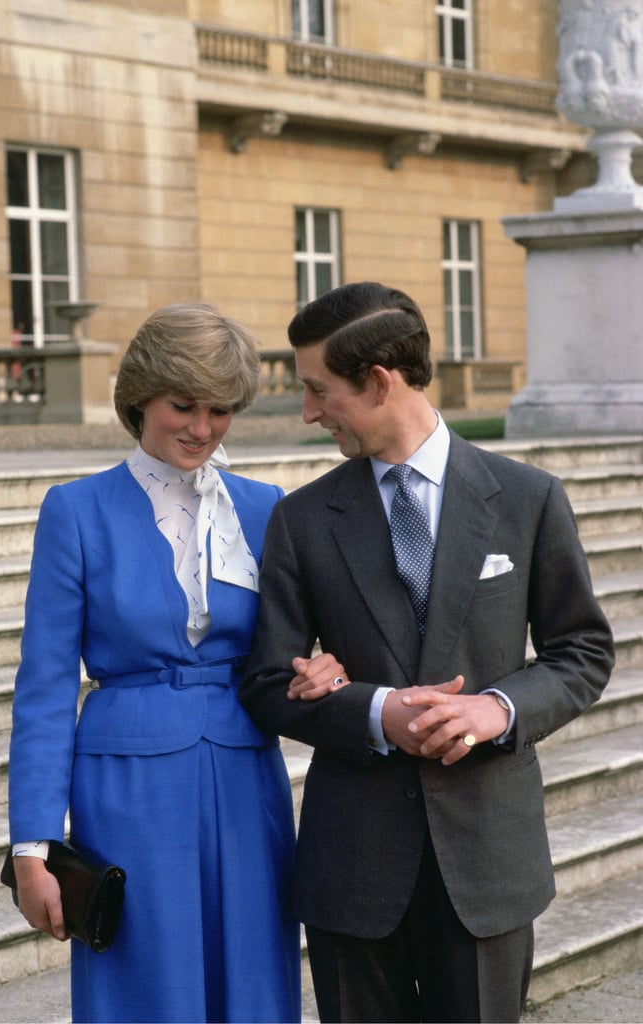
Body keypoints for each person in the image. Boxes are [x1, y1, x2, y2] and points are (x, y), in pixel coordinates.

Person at [239, 282, 615, 1024]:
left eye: (318, 391)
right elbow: (265, 681)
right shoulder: (302, 517)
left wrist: (496, 707)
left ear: (379, 382)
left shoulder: (528, 497)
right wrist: (377, 711)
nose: (309, 412)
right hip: (352, 870)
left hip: (487, 864)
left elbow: (582, 651)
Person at [6, 302, 346, 1024]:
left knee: (252, 975)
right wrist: (32, 845)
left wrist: (327, 667)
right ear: (140, 398)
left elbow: (300, 643)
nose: (201, 427)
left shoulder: (264, 507)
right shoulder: (76, 511)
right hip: (124, 786)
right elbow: (43, 688)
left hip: (244, 778)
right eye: (182, 405)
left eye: (220, 409)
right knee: (145, 987)